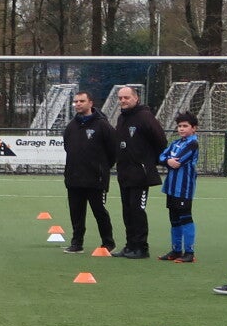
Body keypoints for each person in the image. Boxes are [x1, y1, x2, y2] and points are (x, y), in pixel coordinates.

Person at [110, 85, 166, 259]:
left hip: (140, 174)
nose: (123, 101)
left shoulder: (145, 117)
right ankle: (130, 246)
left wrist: (149, 162)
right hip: (124, 173)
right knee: (127, 211)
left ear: (136, 98)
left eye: (126, 97)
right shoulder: (122, 118)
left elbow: (160, 140)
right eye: (120, 98)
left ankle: (142, 248)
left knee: (137, 211)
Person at [58, 90, 114, 255]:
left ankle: (108, 243)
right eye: (76, 101)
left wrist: (102, 168)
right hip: (74, 178)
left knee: (99, 212)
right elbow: (68, 147)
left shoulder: (102, 125)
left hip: (96, 179)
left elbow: (113, 150)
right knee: (76, 213)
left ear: (90, 103)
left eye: (81, 101)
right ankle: (77, 243)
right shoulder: (71, 126)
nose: (78, 104)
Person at [158, 111, 201, 263]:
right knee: (174, 218)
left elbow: (179, 161)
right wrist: (168, 160)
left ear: (193, 128)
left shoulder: (192, 143)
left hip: (184, 188)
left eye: (185, 126)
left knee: (185, 218)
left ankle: (189, 252)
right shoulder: (175, 143)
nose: (181, 129)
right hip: (171, 187)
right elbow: (161, 157)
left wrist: (168, 160)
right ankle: (176, 250)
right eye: (179, 126)